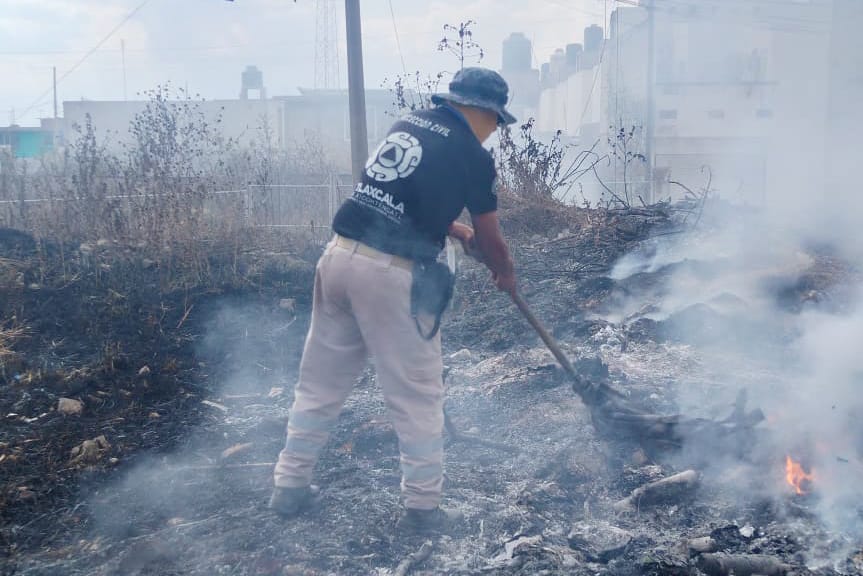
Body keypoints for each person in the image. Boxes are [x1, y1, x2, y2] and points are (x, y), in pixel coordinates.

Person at [269, 67, 517, 534]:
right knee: (417, 395)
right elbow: (492, 238)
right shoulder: (473, 155)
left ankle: (289, 484)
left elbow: (395, 197)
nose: (494, 131)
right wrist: (504, 272)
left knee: (319, 383)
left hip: (338, 259)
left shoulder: (410, 123)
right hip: (389, 275)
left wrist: (450, 227)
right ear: (483, 112)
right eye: (496, 122)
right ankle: (423, 508)